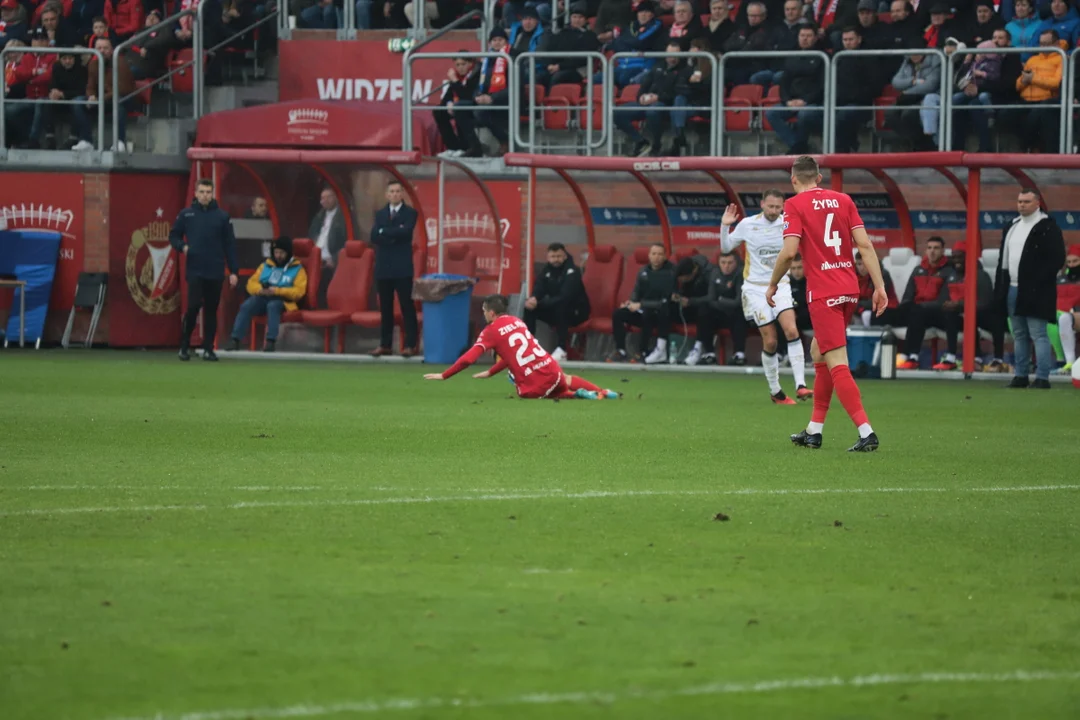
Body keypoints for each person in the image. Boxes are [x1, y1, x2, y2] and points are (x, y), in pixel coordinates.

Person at [767, 155, 886, 452]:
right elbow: (865, 245)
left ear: (793, 180)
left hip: (823, 293)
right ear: (819, 178)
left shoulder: (794, 205)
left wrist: (772, 284)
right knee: (818, 350)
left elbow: (788, 252)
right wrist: (880, 286)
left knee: (836, 362)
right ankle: (814, 430)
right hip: (849, 288)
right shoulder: (843, 200)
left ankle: (866, 430)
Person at [424, 294, 621, 400]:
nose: (483, 314)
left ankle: (576, 395)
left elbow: (469, 358)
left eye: (484, 311)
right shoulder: (517, 321)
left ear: (492, 313)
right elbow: (511, 356)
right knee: (565, 379)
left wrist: (444, 375)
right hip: (552, 368)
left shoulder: (490, 331)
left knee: (528, 384)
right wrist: (491, 372)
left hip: (535, 384)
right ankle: (602, 391)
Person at [722, 189, 811, 404]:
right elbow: (726, 247)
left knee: (791, 329)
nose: (774, 210)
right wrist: (725, 225)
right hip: (755, 289)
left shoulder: (788, 224)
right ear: (762, 204)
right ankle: (776, 391)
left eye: (778, 207)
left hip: (781, 284)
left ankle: (801, 385)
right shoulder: (748, 224)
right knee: (770, 341)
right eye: (770, 206)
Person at [995, 187, 1065, 389]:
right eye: (1019, 201)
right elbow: (1004, 259)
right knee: (1019, 334)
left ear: (1037, 203)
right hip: (1012, 287)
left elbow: (1057, 259)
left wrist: (1038, 281)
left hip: (1037, 289)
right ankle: (1021, 375)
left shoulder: (1047, 226)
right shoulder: (1012, 226)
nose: (1022, 205)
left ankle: (1042, 377)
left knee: (1038, 333)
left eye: (1026, 201)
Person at [169, 178, 239, 362]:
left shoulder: (222, 217)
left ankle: (208, 348)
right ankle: (184, 345)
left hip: (215, 269)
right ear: (196, 193)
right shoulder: (187, 214)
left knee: (211, 309)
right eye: (202, 192)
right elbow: (174, 235)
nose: (205, 195)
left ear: (212, 193)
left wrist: (233, 271)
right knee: (193, 307)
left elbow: (229, 244)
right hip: (195, 268)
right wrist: (182, 247)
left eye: (208, 192)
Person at [226, 236, 307, 353]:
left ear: (288, 253)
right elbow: (251, 284)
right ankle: (235, 339)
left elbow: (299, 292)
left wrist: (277, 291)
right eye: (276, 252)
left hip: (284, 300)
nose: (278, 256)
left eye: (282, 253)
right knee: (247, 305)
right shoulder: (266, 266)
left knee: (273, 306)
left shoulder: (298, 269)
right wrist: (260, 290)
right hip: (264, 296)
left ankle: (270, 342)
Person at [932, 241, 1004, 371]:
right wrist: (947, 305)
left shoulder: (980, 275)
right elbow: (942, 299)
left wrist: (959, 304)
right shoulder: (952, 275)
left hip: (982, 315)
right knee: (947, 314)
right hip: (959, 315)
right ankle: (951, 357)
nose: (956, 261)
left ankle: (992, 359)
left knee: (978, 317)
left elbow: (986, 303)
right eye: (954, 257)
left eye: (960, 257)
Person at [371, 180, 420, 358]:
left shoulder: (410, 213)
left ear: (402, 194)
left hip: (402, 267)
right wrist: (391, 233)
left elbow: (405, 233)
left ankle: (410, 344)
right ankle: (385, 344)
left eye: (398, 191)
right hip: (383, 266)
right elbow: (374, 236)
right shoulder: (380, 214)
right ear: (387, 194)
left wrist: (385, 232)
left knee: (407, 305)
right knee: (385, 307)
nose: (394, 194)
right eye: (391, 191)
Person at [608, 243, 676, 363]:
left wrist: (641, 305)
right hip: (642, 309)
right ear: (649, 255)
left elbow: (665, 301)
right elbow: (636, 291)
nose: (656, 257)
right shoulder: (643, 271)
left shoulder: (670, 272)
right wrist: (631, 302)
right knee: (618, 314)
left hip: (661, 315)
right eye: (654, 254)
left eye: (660, 254)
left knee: (647, 314)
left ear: (665, 256)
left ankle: (642, 351)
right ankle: (620, 350)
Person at [523, 242, 590, 361]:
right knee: (530, 309)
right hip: (556, 309)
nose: (556, 260)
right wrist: (534, 299)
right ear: (548, 258)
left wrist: (540, 303)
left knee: (561, 307)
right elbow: (540, 286)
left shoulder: (572, 272)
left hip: (577, 312)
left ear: (564, 256)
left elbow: (565, 297)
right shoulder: (546, 270)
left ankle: (562, 349)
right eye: (553, 257)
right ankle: (529, 346)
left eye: (559, 256)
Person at [707, 251, 749, 366]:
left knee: (739, 313)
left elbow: (738, 301)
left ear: (736, 263)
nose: (726, 266)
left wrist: (721, 300)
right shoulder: (714, 273)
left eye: (730, 262)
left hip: (738, 313)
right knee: (705, 312)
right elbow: (711, 299)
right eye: (723, 262)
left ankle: (739, 354)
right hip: (721, 313)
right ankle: (708, 353)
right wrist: (721, 303)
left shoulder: (742, 274)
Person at [307, 187, 346, 308]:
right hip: (317, 260)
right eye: (322, 198)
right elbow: (311, 236)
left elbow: (348, 241)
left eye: (328, 197)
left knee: (328, 293)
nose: (325, 200)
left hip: (332, 261)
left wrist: (334, 259)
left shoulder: (343, 217)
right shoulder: (319, 216)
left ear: (336, 198)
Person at [1052, 244, 1080, 373]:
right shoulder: (1060, 279)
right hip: (1062, 313)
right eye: (1069, 262)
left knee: (1062, 317)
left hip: (1076, 312)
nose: (1072, 265)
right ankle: (1068, 362)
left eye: (1075, 261)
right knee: (1055, 318)